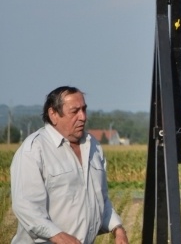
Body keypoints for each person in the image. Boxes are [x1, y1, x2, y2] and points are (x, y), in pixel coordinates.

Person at [10, 86, 128, 244]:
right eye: (75, 111)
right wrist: (58, 236)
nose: (83, 117)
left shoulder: (94, 146)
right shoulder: (34, 150)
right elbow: (27, 207)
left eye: (84, 110)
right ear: (53, 115)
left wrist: (117, 228)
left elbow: (101, 200)